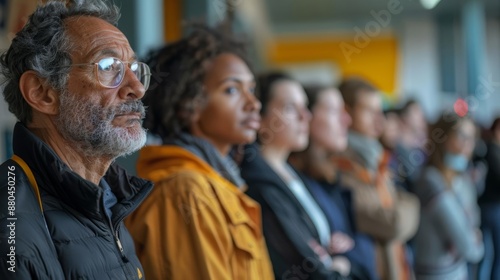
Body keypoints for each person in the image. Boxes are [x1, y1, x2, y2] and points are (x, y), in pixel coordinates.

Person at [0, 1, 153, 279]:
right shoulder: (9, 221)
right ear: (43, 92)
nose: (137, 88)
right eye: (109, 66)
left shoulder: (108, 199)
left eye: (132, 67)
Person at [124, 27, 274, 280]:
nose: (254, 103)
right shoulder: (185, 191)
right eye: (232, 90)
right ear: (187, 106)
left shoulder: (218, 182)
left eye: (252, 88)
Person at [241, 73, 363, 279]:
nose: (305, 116)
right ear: (260, 119)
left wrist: (335, 252)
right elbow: (309, 271)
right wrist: (341, 267)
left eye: (304, 107)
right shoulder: (259, 184)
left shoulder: (291, 172)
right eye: (290, 108)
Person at [289, 85, 379, 280]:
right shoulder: (297, 184)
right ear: (307, 116)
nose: (346, 120)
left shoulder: (331, 175)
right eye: (333, 111)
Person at [333, 78, 420, 280]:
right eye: (369, 111)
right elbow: (391, 224)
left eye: (380, 111)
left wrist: (405, 206)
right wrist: (409, 204)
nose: (379, 120)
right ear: (346, 112)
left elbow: (399, 212)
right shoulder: (341, 164)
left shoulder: (375, 157)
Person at [413, 113, 484, 280]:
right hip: (436, 275)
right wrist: (474, 239)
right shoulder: (430, 181)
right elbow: (470, 248)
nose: (467, 145)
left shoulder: (458, 180)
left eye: (472, 138)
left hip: (457, 271)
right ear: (442, 137)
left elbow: (475, 220)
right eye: (461, 136)